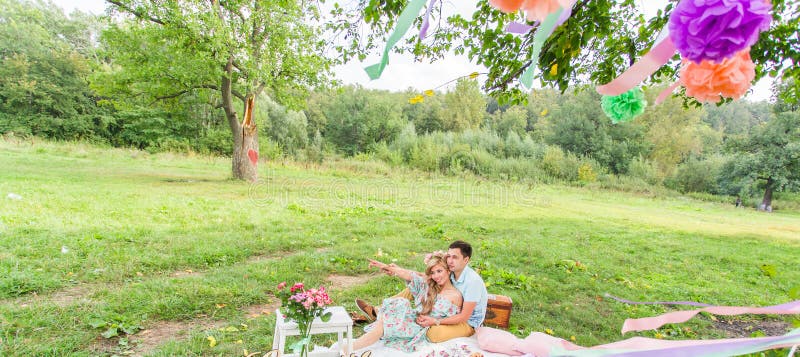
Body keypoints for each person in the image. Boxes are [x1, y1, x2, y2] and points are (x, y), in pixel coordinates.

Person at [356, 240, 488, 343]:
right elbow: (423, 277)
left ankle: (403, 323)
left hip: (467, 323)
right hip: (449, 309)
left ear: (466, 260)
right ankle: (378, 310)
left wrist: (434, 321)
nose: (450, 261)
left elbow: (464, 317)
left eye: (455, 257)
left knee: (433, 334)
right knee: (416, 285)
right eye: (449, 256)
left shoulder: (472, 282)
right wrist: (394, 269)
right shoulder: (452, 270)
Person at [349, 251, 462, 353]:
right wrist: (388, 267)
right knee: (399, 304)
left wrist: (434, 321)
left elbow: (455, 319)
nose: (436, 276)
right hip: (413, 317)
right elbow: (411, 275)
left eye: (439, 271)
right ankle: (350, 347)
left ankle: (349, 348)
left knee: (384, 324)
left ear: (448, 271)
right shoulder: (431, 285)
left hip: (420, 328)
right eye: (433, 273)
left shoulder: (455, 296)